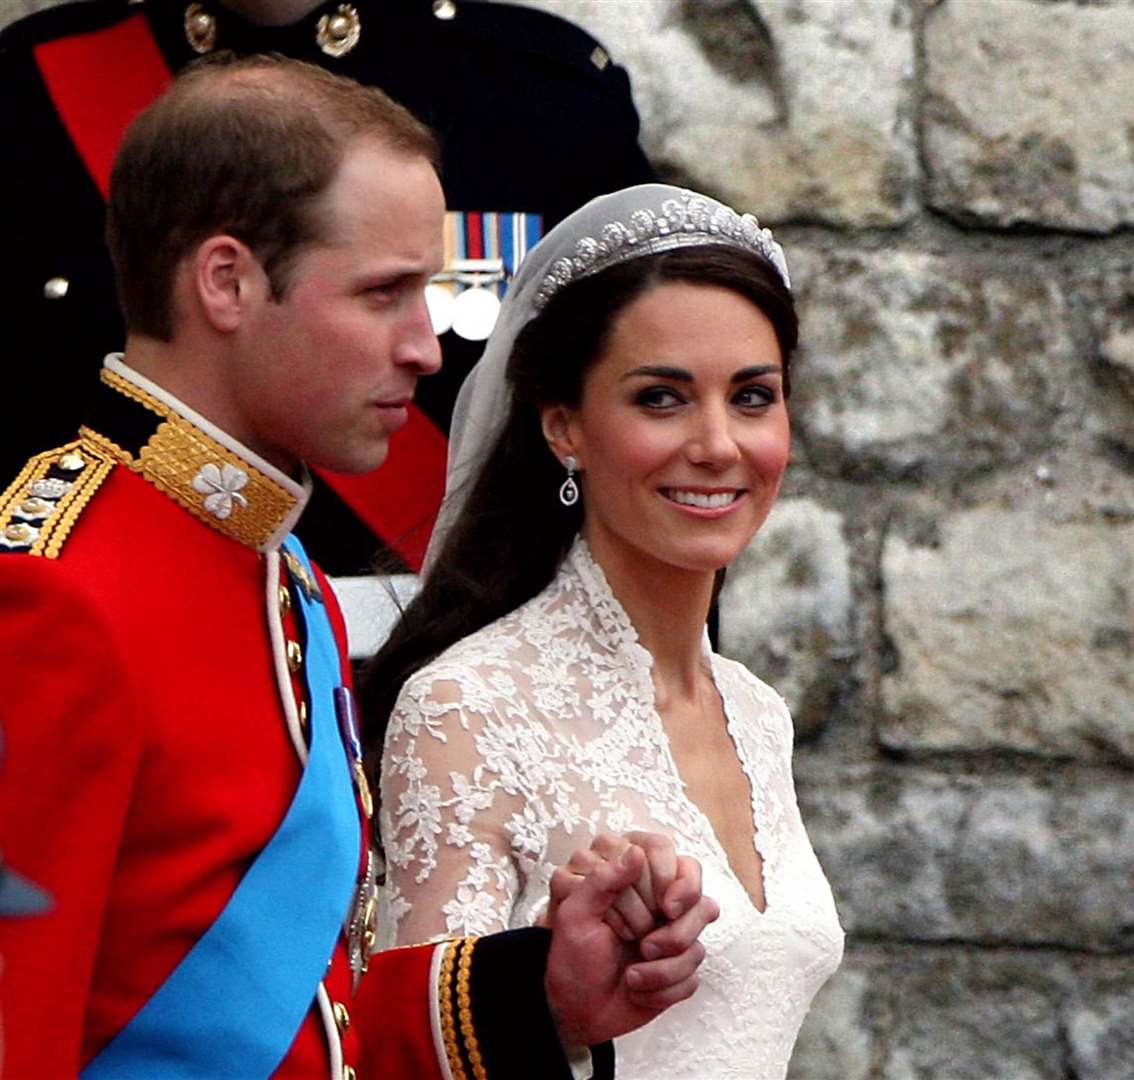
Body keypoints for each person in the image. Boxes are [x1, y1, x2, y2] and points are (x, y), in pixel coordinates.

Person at [0, 57, 716, 1079]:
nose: (427, 348)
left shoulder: (279, 573)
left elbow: (307, 1020)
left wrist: (545, 991)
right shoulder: (48, 592)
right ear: (228, 282)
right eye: (386, 294)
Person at [361, 183, 846, 1078]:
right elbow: (408, 1058)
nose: (717, 444)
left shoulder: (757, 712)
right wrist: (556, 1001)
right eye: (661, 399)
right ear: (564, 427)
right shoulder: (466, 708)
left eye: (752, 397)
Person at [0, 0, 654, 574]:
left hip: (469, 657)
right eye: (384, 292)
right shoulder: (27, 96)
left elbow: (649, 429)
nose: (422, 349)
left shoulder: (541, 94)